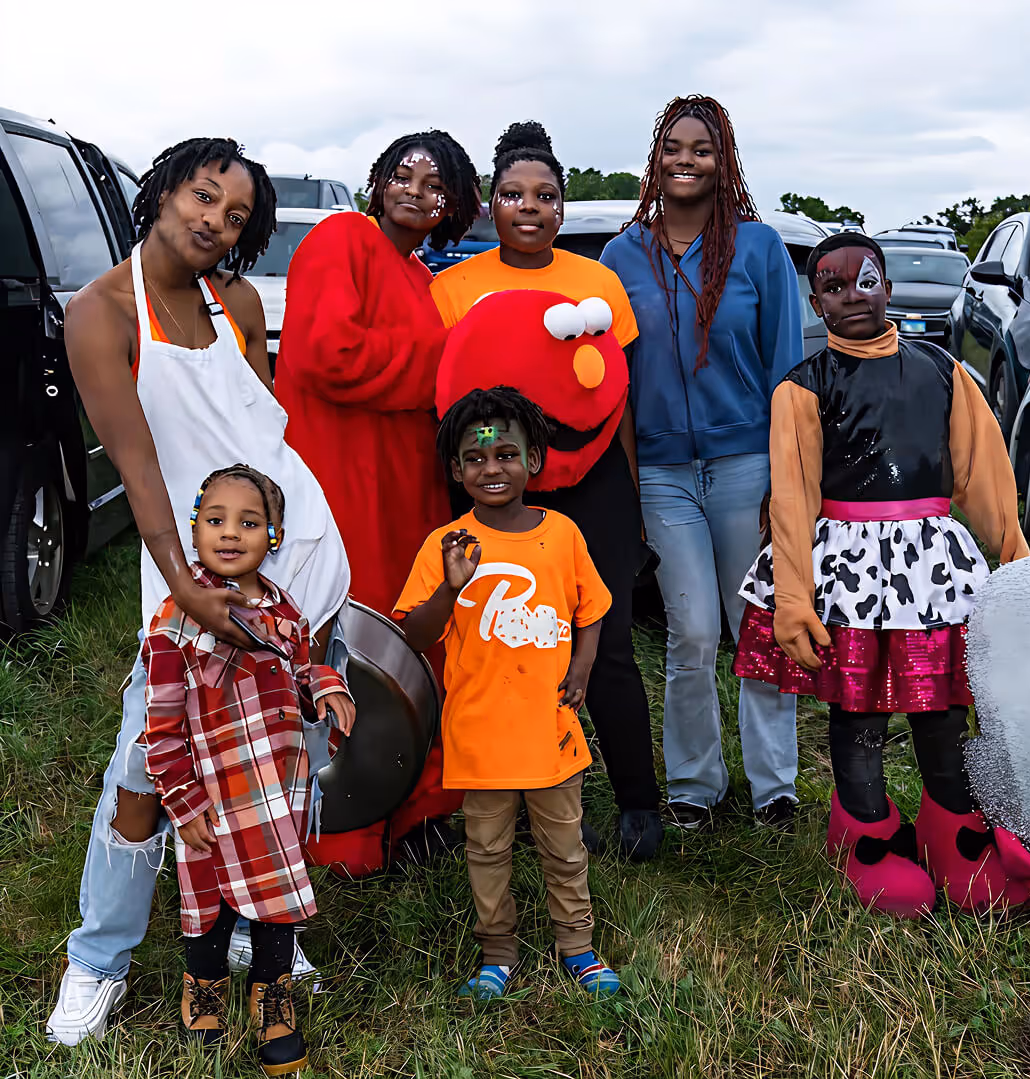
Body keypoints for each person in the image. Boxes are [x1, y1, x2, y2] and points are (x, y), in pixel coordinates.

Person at [46, 139, 350, 1046]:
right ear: (165, 190)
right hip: (192, 584)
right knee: (144, 770)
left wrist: (276, 580)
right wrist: (188, 590)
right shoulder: (101, 312)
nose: (214, 221)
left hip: (297, 566)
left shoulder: (241, 301)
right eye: (204, 197)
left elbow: (260, 436)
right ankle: (95, 961)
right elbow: (142, 470)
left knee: (285, 766)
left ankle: (272, 941)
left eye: (234, 216)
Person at [733, 232, 1030, 915]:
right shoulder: (802, 388)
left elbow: (984, 475)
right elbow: (793, 495)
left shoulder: (944, 371)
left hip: (929, 567)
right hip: (846, 570)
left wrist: (1015, 561)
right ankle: (864, 830)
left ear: (886, 287)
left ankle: (953, 835)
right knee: (857, 711)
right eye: (833, 287)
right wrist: (795, 597)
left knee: (943, 710)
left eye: (865, 281)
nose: (852, 296)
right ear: (816, 304)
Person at [429, 121, 663, 861]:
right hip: (498, 496)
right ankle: (540, 804)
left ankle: (638, 802)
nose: (530, 207)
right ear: (489, 203)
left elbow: (615, 401)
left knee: (610, 647)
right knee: (515, 651)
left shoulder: (596, 283)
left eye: (547, 196)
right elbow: (442, 406)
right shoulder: (451, 289)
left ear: (563, 206)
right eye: (513, 195)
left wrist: (630, 498)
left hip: (593, 490)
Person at [274, 131, 482, 879]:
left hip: (408, 487)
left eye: (437, 186)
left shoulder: (423, 279)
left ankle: (413, 809)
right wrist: (445, 364)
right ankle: (340, 832)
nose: (417, 190)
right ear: (377, 180)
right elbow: (324, 353)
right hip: (344, 480)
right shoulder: (342, 238)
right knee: (345, 641)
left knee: (414, 633)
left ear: (452, 207)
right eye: (403, 174)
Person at [599, 95, 802, 831]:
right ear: (655, 159)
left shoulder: (760, 249)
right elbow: (611, 380)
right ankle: (693, 785)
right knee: (689, 633)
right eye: (674, 148)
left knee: (756, 623)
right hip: (660, 473)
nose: (686, 160)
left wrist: (783, 484)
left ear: (726, 163)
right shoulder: (623, 256)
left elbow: (787, 374)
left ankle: (773, 784)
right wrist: (626, 486)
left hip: (746, 463)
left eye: (703, 149)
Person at [395, 387, 620, 999]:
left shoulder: (562, 534)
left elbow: (591, 607)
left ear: (534, 460)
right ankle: (498, 951)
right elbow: (414, 632)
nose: (491, 468)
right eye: (474, 458)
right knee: (486, 849)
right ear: (455, 469)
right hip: (481, 733)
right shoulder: (447, 546)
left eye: (505, 456)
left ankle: (577, 944)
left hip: (549, 727)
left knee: (565, 847)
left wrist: (582, 666)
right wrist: (449, 586)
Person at [143, 466, 354, 1073]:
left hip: (274, 787)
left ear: (275, 535)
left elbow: (302, 664)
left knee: (275, 897)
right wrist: (182, 800)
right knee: (206, 897)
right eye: (215, 520)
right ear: (193, 529)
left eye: (249, 521)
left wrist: (328, 685)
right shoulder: (175, 622)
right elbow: (160, 724)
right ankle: (203, 983)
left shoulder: (283, 610)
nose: (230, 533)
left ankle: (273, 994)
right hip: (212, 790)